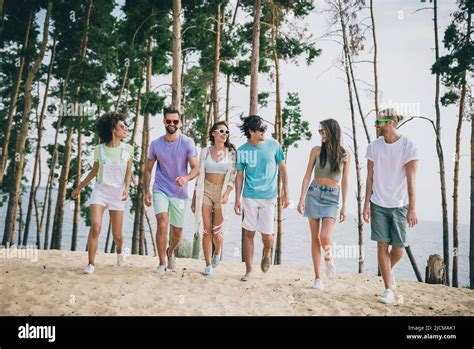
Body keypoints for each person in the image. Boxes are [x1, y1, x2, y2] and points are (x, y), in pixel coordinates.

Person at [362, 108, 419, 304]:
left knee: (398, 249)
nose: (376, 125)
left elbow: (411, 180)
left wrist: (412, 208)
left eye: (378, 122)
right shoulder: (373, 147)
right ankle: (388, 289)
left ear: (389, 122)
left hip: (399, 205)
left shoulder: (408, 146)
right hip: (377, 203)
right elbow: (369, 178)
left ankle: (388, 269)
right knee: (381, 245)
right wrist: (366, 205)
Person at [72, 111, 133, 275]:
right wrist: (79, 188)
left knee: (117, 235)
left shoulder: (128, 149)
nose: (125, 129)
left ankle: (119, 252)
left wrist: (127, 188)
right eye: (122, 126)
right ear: (113, 129)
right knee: (96, 228)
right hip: (100, 192)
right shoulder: (99, 149)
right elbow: (94, 171)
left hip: (118, 195)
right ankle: (91, 263)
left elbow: (128, 172)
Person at [144, 107, 199, 274]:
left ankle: (170, 251)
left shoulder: (187, 142)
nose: (172, 124)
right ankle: (162, 263)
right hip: (160, 188)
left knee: (177, 232)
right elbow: (147, 169)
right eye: (169, 121)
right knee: (162, 223)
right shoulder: (155, 144)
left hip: (179, 193)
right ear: (164, 122)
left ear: (179, 122)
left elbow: (196, 167)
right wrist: (147, 191)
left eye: (175, 121)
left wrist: (186, 179)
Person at [234, 115, 289, 282]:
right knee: (248, 233)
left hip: (269, 197)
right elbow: (239, 175)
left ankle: (266, 252)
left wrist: (286, 192)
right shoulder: (242, 150)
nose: (264, 131)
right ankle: (249, 270)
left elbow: (283, 169)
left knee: (267, 236)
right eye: (261, 129)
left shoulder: (274, 146)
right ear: (251, 131)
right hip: (249, 196)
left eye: (265, 128)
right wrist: (237, 198)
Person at [297, 119, 350, 290]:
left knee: (324, 237)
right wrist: (301, 198)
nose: (322, 134)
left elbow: (346, 181)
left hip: (332, 197)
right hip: (314, 193)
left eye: (324, 131)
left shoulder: (344, 154)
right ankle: (317, 278)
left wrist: (344, 205)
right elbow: (307, 175)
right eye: (320, 131)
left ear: (333, 132)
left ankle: (328, 258)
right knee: (314, 238)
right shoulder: (316, 150)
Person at [191, 121, 236, 276]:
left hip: (222, 192)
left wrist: (227, 193)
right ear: (213, 133)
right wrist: (194, 197)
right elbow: (199, 175)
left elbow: (233, 176)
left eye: (227, 132)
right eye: (221, 131)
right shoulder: (205, 152)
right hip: (206, 191)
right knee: (206, 230)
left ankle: (218, 251)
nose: (224, 134)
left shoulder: (231, 153)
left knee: (217, 233)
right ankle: (208, 264)